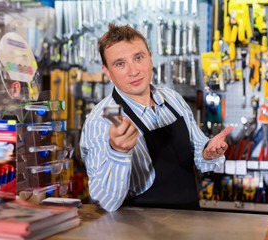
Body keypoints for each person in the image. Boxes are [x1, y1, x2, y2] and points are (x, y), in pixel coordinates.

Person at [80, 23, 233, 212]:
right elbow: (105, 203)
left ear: (150, 58)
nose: (133, 70)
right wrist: (117, 152)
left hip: (189, 220)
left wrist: (207, 153)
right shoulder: (104, 119)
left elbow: (199, 151)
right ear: (107, 72)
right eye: (120, 64)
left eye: (138, 58)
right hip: (139, 230)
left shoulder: (172, 99)